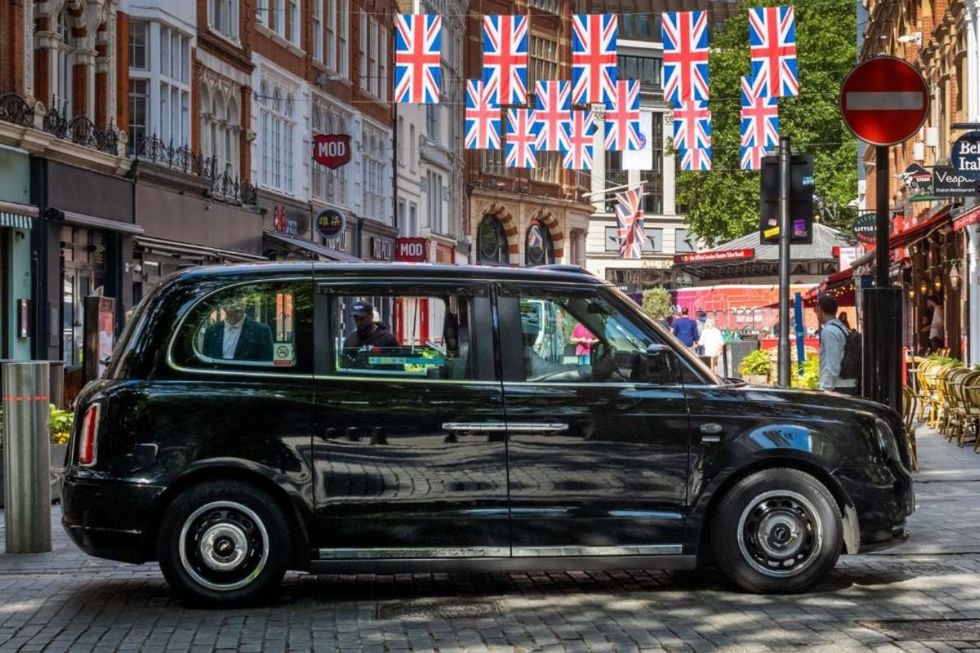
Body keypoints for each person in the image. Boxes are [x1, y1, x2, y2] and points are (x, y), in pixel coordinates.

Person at [203, 296, 274, 361]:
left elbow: (266, 361)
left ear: (244, 306)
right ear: (224, 307)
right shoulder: (211, 331)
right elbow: (206, 358)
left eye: (237, 310)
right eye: (231, 302)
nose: (236, 305)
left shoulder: (261, 330)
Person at [814, 295, 857, 395]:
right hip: (847, 384)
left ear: (819, 310)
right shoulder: (842, 328)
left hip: (837, 387)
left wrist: (824, 390)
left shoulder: (829, 331)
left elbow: (832, 365)